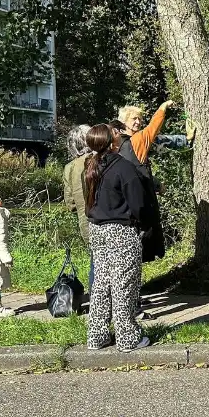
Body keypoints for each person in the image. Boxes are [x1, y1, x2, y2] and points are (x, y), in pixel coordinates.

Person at [83, 123, 151, 352]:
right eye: (115, 133)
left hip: (97, 229)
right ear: (113, 142)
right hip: (121, 231)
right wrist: (144, 223)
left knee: (101, 282)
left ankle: (97, 335)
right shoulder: (123, 167)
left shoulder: (91, 166)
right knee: (124, 283)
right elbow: (139, 203)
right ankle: (127, 336)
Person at [117, 103, 174, 263]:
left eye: (140, 119)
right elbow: (153, 128)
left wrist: (155, 184)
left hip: (121, 203)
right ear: (124, 121)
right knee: (141, 243)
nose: (138, 122)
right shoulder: (137, 140)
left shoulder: (116, 143)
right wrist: (163, 108)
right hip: (139, 202)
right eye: (134, 118)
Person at [62, 124, 93, 288]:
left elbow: (70, 203)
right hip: (109, 219)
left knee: (96, 262)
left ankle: (97, 301)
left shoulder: (69, 168)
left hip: (85, 221)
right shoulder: (98, 160)